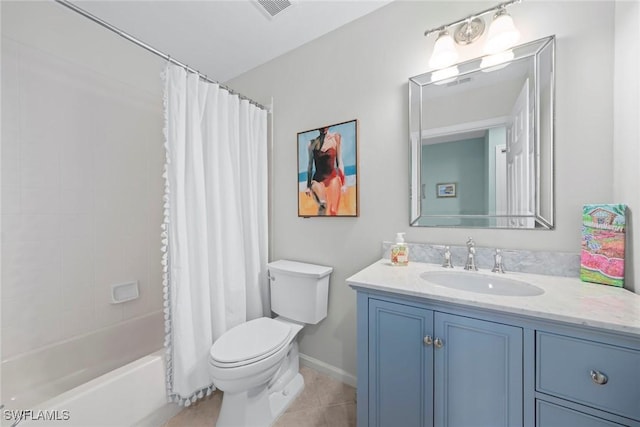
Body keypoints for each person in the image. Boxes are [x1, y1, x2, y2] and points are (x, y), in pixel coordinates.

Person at [305, 126, 346, 216]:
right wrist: (308, 186)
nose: (323, 128)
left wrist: (343, 183)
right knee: (323, 205)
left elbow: (340, 162)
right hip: (318, 180)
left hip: (332, 177)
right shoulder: (312, 143)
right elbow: (310, 166)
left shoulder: (336, 138)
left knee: (333, 211)